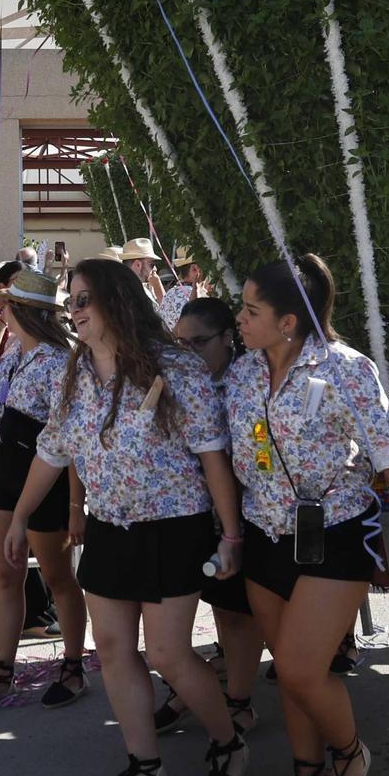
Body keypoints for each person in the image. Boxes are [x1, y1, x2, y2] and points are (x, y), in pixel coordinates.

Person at [7, 257, 250, 776]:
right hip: (109, 527)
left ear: (119, 300)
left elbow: (213, 456)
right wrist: (19, 517)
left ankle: (228, 743)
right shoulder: (76, 373)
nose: (75, 310)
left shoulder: (176, 368)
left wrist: (230, 536)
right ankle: (145, 769)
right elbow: (52, 450)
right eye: (72, 301)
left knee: (168, 652)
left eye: (85, 298)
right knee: (114, 650)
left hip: (173, 526)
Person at [222, 252, 389, 776]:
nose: (240, 319)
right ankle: (306, 772)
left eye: (251, 310)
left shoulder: (346, 369)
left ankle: (350, 753)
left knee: (300, 668)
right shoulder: (243, 370)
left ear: (289, 321)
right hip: (265, 535)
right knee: (293, 668)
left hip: (334, 533)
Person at [0, 269, 88, 713]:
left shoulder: (63, 359)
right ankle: (3, 670)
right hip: (6, 470)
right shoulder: (13, 351)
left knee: (57, 577)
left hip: (48, 478)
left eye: (7, 304)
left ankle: (73, 666)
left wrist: (76, 506)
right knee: (6, 575)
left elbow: (69, 439)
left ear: (23, 311)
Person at [153, 297, 262, 736]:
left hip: (238, 512)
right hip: (186, 512)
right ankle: (189, 691)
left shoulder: (246, 380)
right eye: (179, 343)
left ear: (227, 338)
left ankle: (239, 700)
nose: (187, 351)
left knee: (236, 612)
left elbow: (261, 442)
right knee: (200, 611)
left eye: (198, 342)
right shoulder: (171, 380)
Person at [120, 238, 167, 307]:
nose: (155, 269)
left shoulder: (121, 288)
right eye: (151, 264)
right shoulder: (135, 293)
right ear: (138, 265)